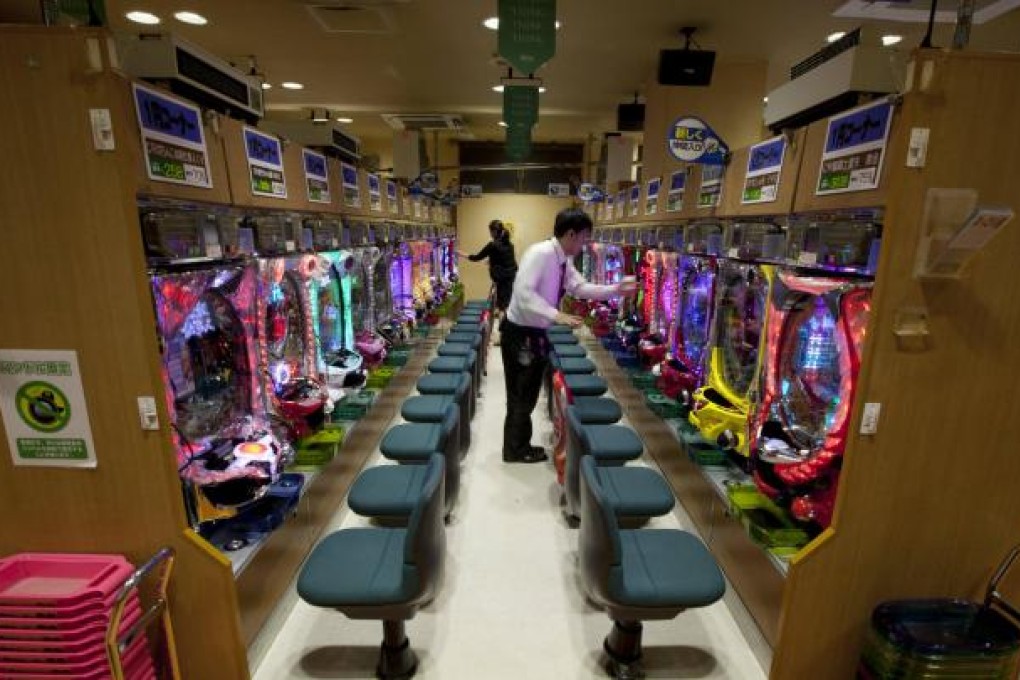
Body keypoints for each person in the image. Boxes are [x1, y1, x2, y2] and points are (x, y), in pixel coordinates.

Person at [500, 208, 636, 463]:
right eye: (584, 237)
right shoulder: (540, 254)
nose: (585, 243)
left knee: (527, 392)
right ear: (571, 234)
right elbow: (523, 294)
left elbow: (580, 287)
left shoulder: (561, 258)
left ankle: (520, 444)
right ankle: (515, 450)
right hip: (520, 334)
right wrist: (556, 315)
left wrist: (615, 290)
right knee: (521, 394)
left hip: (535, 331)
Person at [458, 219, 518, 314]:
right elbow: (506, 259)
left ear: (494, 231)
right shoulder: (509, 244)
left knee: (502, 306)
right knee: (504, 303)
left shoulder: (492, 245)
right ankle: (501, 318)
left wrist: (461, 254)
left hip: (500, 278)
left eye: (490, 231)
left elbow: (476, 257)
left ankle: (502, 324)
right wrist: (491, 260)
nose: (490, 234)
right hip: (510, 277)